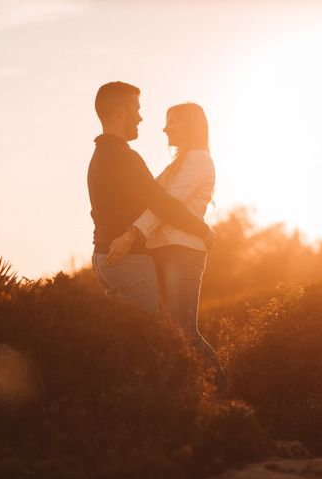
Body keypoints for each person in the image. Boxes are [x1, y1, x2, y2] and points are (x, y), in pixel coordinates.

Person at [107, 102, 227, 392]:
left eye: (171, 122)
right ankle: (189, 393)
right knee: (170, 331)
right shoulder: (178, 164)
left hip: (183, 252)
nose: (164, 128)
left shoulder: (198, 160)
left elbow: (165, 206)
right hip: (164, 251)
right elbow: (150, 199)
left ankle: (221, 388)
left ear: (189, 125)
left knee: (184, 330)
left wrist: (131, 235)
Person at [87, 82, 216, 315]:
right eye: (136, 109)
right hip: (127, 258)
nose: (140, 118)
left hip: (104, 255)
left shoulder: (99, 157)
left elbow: (161, 199)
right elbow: (163, 203)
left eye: (172, 123)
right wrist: (203, 230)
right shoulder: (126, 158)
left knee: (141, 335)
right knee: (153, 335)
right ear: (120, 112)